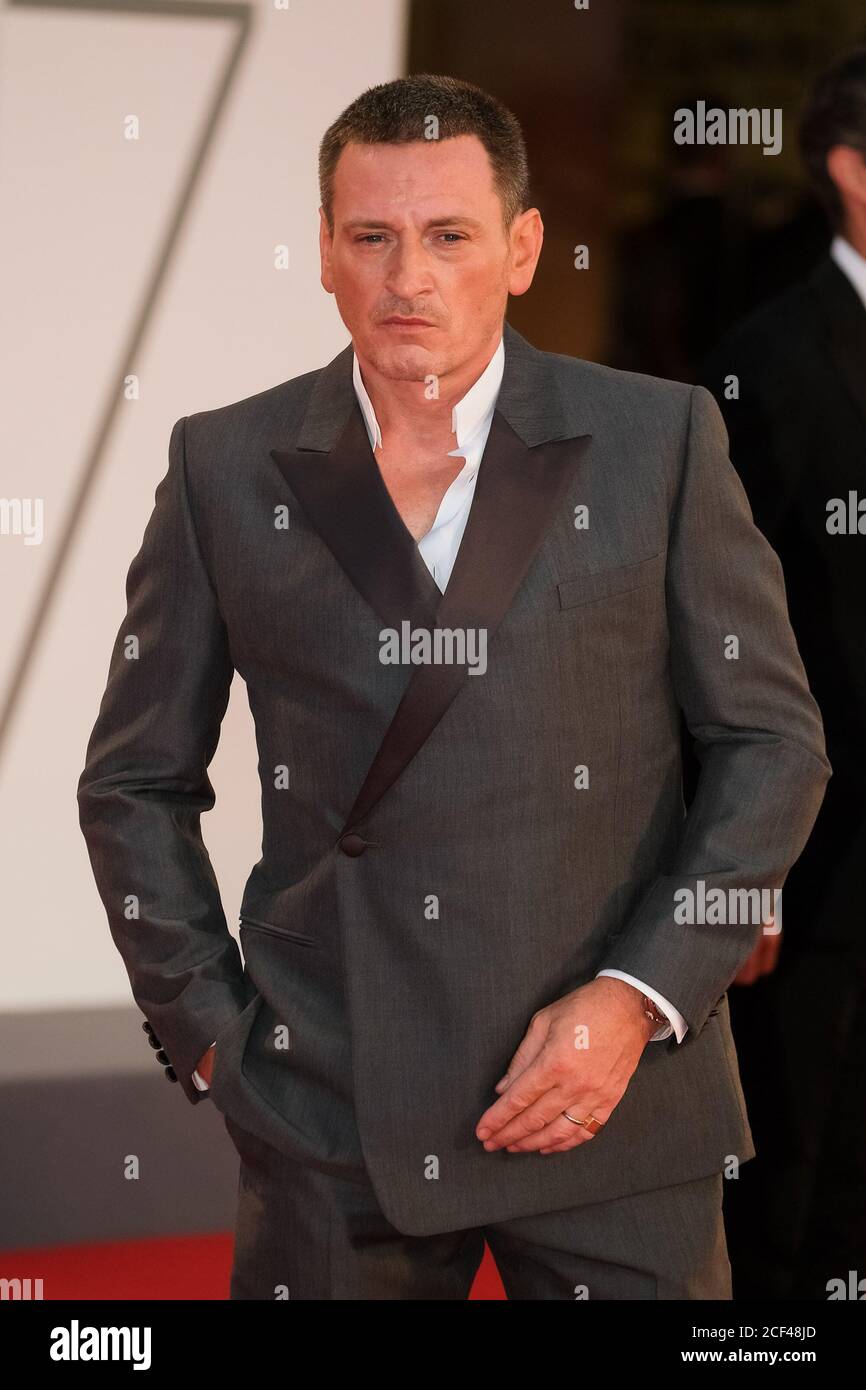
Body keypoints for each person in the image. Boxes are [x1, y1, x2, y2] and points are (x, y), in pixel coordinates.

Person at [78, 73, 829, 1300]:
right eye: (369, 237)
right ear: (323, 251)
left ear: (521, 249)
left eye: (446, 237)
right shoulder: (223, 464)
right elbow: (131, 780)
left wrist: (639, 998)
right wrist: (214, 1037)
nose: (405, 278)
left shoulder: (658, 440)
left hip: (614, 1106)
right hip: (331, 1106)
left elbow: (770, 744)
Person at [700, 48, 866, 1300]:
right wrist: (741, 873)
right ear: (849, 171)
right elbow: (726, 639)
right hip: (820, 861)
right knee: (794, 1184)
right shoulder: (762, 361)